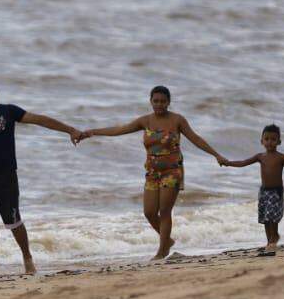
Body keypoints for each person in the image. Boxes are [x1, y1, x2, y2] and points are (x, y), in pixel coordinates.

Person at [77, 86, 226, 260]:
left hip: (172, 171)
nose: (159, 104)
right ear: (151, 101)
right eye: (156, 101)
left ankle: (162, 250)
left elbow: (196, 138)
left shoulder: (177, 120)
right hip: (152, 172)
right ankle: (167, 241)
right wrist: (93, 132)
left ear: (169, 102)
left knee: (164, 211)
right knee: (149, 212)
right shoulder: (145, 121)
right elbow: (119, 130)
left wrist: (216, 154)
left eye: (163, 101)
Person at [0, 81, 83, 277]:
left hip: (6, 179)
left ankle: (28, 258)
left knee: (14, 222)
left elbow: (40, 120)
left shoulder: (8, 112)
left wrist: (70, 130)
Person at [221, 123, 284, 255]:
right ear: (261, 141)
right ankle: (270, 240)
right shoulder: (260, 157)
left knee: (272, 217)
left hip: (276, 191)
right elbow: (243, 163)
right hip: (264, 192)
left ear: (279, 142)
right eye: (267, 139)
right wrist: (228, 163)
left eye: (273, 139)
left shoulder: (281, 157)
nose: (270, 142)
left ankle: (274, 238)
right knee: (265, 218)